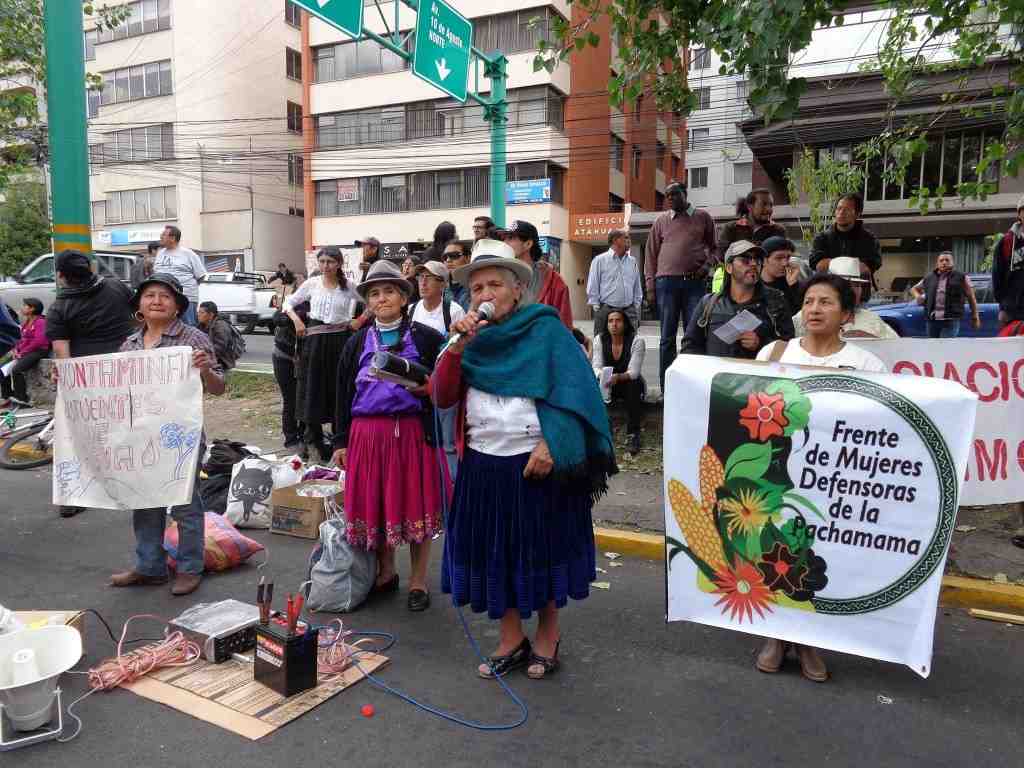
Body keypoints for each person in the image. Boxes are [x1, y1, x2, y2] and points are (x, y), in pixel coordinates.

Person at [433, 239, 616, 679]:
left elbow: (580, 394)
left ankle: (548, 635)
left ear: (517, 289)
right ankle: (512, 638)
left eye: (494, 284)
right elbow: (440, 395)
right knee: (496, 553)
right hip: (483, 463)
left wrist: (555, 443)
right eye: (476, 288)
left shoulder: (547, 331)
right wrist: (456, 347)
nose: (484, 295)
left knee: (541, 549)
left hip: (537, 464)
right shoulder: (466, 340)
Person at [755, 273, 887, 681]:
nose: (814, 309)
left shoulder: (868, 365)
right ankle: (777, 635)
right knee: (777, 554)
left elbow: (883, 428)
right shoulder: (774, 352)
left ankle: (810, 640)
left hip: (834, 483)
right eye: (809, 301)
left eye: (826, 302)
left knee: (820, 558)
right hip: (781, 476)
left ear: (846, 313)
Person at [331, 260, 449, 613]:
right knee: (379, 502)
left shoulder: (428, 339)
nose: (382, 299)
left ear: (402, 297)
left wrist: (428, 389)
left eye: (389, 292)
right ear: (368, 301)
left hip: (412, 433)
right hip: (367, 434)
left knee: (416, 503)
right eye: (375, 293)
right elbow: (341, 395)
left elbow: (446, 386)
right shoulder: (355, 344)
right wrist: (340, 441)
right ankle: (385, 572)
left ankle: (417, 580)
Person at [110, 273, 226, 597]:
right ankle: (150, 567)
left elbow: (219, 388)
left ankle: (190, 568)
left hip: (181, 437)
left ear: (177, 306)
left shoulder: (192, 339)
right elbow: (110, 389)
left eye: (165, 296)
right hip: (140, 436)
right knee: (145, 504)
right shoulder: (130, 344)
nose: (157, 301)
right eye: (150, 296)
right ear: (139, 307)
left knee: (185, 505)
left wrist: (203, 369)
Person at [47, 250, 137, 519]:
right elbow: (137, 318)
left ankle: (74, 495)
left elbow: (63, 356)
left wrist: (66, 385)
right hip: (125, 372)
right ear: (90, 268)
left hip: (88, 383)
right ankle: (135, 486)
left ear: (61, 275)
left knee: (78, 436)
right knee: (126, 430)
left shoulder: (59, 308)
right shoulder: (116, 287)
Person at [284, 246, 365, 461]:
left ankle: (340, 439)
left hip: (340, 342)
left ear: (339, 263)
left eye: (330, 261)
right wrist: (296, 319)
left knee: (338, 388)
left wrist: (361, 320)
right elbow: (288, 303)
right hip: (315, 342)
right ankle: (315, 441)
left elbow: (370, 302)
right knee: (313, 387)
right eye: (322, 262)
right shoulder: (312, 284)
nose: (326, 266)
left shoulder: (348, 287)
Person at [645, 181, 717, 390]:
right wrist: (650, 287)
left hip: (694, 284)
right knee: (666, 337)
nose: (670, 199)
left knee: (693, 335)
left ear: (685, 194)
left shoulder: (702, 217)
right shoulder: (661, 221)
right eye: (667, 196)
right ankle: (666, 387)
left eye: (674, 194)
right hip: (665, 284)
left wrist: (707, 267)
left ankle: (691, 386)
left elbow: (716, 248)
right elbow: (650, 255)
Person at [680, 240, 794, 359]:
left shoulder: (775, 302)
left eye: (758, 260)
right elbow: (689, 347)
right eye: (746, 260)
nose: (754, 264)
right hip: (716, 375)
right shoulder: (709, 303)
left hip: (755, 376)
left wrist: (761, 344)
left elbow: (789, 348)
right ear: (729, 268)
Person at [411, 260, 467, 479]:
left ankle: (452, 488)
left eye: (429, 278)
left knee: (447, 442)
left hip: (444, 386)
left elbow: (459, 351)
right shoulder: (411, 309)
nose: (423, 283)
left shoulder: (454, 311)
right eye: (420, 277)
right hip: (417, 385)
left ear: (443, 284)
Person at [792, 257, 898, 339]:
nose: (854, 290)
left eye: (857, 285)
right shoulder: (806, 316)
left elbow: (896, 348)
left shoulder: (872, 319)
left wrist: (873, 341)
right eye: (847, 285)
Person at [500, 219, 573, 329]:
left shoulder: (554, 282)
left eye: (511, 238)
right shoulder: (500, 277)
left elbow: (564, 324)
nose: (505, 243)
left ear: (528, 244)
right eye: (504, 238)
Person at [592, 309, 646, 455]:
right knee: (591, 385)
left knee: (634, 386)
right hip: (607, 382)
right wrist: (603, 376)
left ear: (625, 323)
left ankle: (633, 435)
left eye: (618, 321)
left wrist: (617, 377)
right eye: (610, 321)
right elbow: (596, 366)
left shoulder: (637, 341)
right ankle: (600, 433)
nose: (614, 324)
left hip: (628, 382)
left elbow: (633, 373)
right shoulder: (600, 339)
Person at [809, 193, 882, 278]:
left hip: (857, 289)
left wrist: (830, 263)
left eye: (847, 209)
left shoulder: (869, 240)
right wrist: (852, 265)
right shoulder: (822, 238)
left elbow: (866, 269)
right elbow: (818, 265)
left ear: (857, 214)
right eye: (839, 208)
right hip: (828, 289)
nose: (841, 213)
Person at [910, 251, 980, 338]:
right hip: (932, 320)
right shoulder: (929, 277)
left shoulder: (962, 277)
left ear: (953, 262)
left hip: (950, 320)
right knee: (932, 347)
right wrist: (918, 296)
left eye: (947, 260)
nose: (944, 262)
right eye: (941, 260)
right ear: (937, 263)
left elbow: (971, 297)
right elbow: (913, 289)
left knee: (945, 347)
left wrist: (975, 317)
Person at [587, 228, 643, 337]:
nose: (629, 241)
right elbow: (593, 285)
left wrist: (635, 305)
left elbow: (637, 286)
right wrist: (599, 308)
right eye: (626, 238)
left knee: (631, 345)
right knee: (602, 345)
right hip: (606, 310)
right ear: (615, 240)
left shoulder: (632, 261)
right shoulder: (599, 260)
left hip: (629, 311)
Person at [154, 226, 207, 326]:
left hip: (186, 298)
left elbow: (201, 276)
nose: (161, 237)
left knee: (188, 327)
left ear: (173, 238)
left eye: (164, 235)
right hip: (164, 298)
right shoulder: (160, 254)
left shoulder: (188, 254)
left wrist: (186, 288)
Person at [272, 299, 307, 449]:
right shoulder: (297, 301)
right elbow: (277, 317)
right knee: (290, 399)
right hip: (284, 356)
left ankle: (306, 436)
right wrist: (291, 318)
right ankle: (291, 439)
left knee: (306, 398)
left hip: (305, 359)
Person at [1, 299, 49, 406]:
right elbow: (21, 340)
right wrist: (16, 350)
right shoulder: (27, 322)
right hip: (24, 351)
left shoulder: (40, 322)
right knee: (2, 366)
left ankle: (21, 399)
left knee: (17, 369)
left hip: (39, 351)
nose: (22, 308)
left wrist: (22, 352)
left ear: (32, 309)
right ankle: (7, 396)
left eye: (25, 306)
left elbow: (39, 341)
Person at [992, 195, 1024, 336]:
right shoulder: (1007, 241)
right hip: (1013, 311)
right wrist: (1004, 304)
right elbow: (997, 275)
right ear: (1019, 213)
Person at [760, 236, 803, 316]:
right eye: (778, 258)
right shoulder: (753, 286)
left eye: (788, 257)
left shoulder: (791, 283)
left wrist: (793, 284)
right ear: (764, 260)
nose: (785, 263)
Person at [196, 301, 244, 371]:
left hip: (223, 361)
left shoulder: (220, 326)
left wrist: (203, 353)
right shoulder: (201, 325)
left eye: (202, 312)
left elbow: (220, 348)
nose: (198, 315)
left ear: (211, 315)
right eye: (198, 312)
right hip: (210, 357)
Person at [443, 241, 472, 311]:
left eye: (454, 255)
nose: (448, 260)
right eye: (445, 257)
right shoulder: (442, 289)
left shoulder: (476, 287)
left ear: (468, 258)